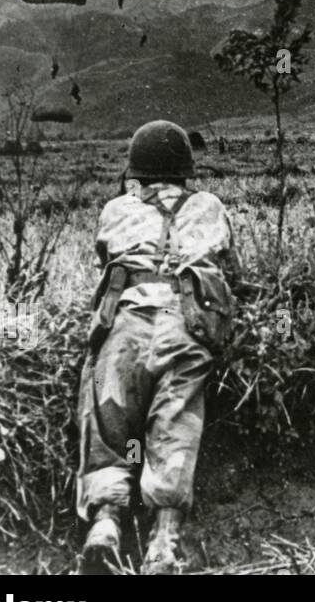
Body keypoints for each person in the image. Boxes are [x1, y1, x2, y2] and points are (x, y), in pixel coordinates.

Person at [77, 120, 243, 573]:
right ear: (185, 171)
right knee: (174, 422)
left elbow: (104, 258)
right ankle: (164, 542)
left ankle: (107, 523)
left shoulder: (116, 208)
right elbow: (233, 271)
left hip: (127, 322)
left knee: (110, 419)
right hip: (184, 327)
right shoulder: (208, 205)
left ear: (138, 170)